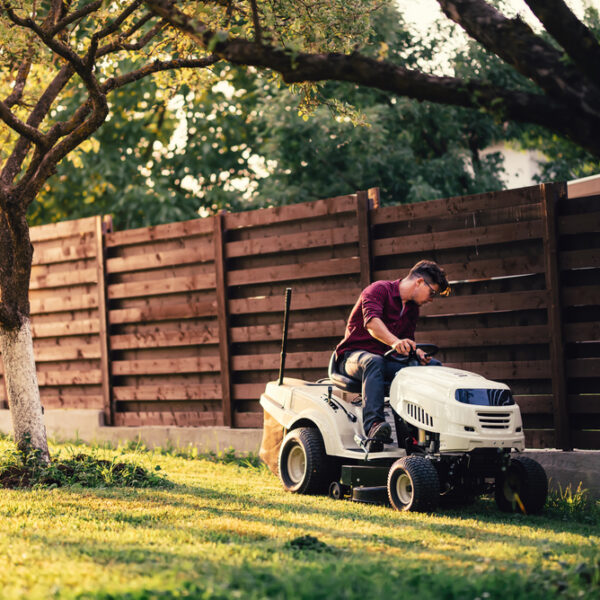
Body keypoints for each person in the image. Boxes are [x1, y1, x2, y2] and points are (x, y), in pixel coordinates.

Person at [335, 260, 450, 442]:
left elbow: (406, 342)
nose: (431, 299)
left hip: (384, 359)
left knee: (433, 368)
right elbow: (372, 323)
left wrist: (415, 352)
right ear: (419, 282)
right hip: (352, 358)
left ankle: (422, 433)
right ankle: (374, 426)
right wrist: (396, 342)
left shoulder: (412, 310)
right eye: (432, 292)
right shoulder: (378, 290)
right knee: (374, 361)